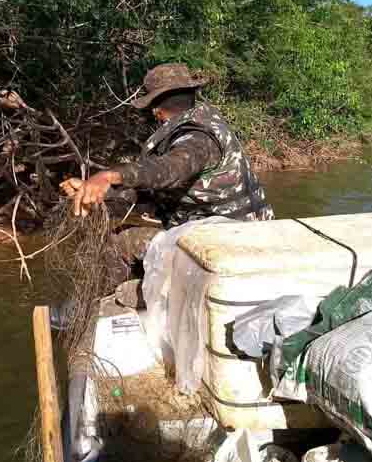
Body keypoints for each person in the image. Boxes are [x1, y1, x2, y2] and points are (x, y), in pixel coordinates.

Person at [61, 63, 273, 292]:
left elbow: (168, 169)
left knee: (120, 243)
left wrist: (108, 176)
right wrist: (99, 193)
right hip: (239, 233)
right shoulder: (205, 123)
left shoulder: (197, 139)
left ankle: (106, 305)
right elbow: (150, 189)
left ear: (156, 110)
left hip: (229, 241)